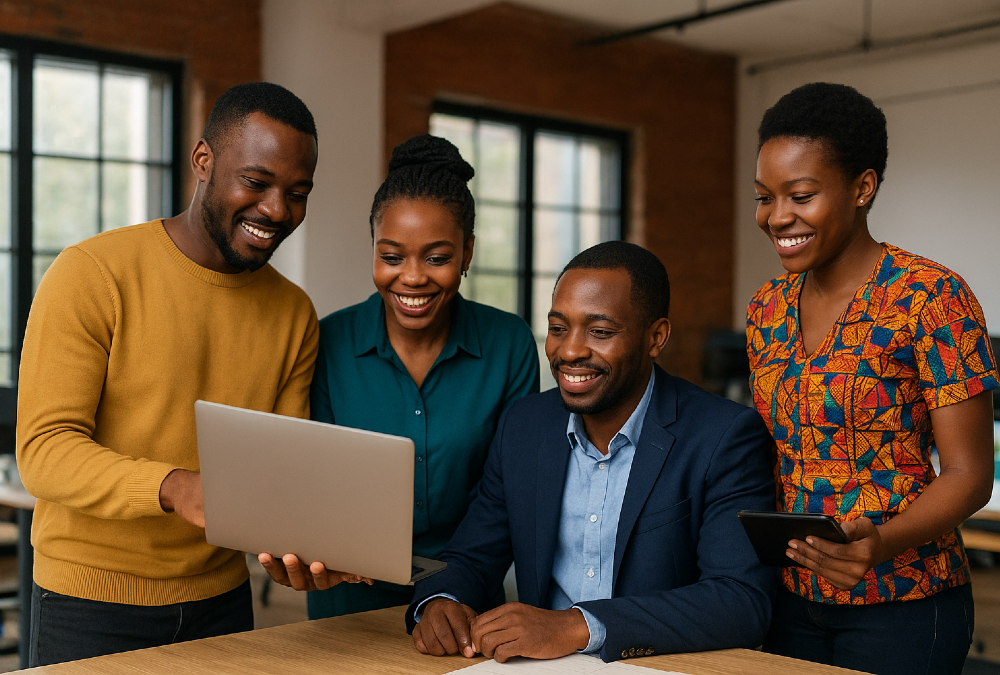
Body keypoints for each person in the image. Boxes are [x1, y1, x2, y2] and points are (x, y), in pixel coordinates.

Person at [16, 82, 329, 666]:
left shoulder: (294, 314)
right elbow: (44, 453)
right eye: (256, 182)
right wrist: (175, 487)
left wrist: (306, 549)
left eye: (297, 193)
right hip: (87, 604)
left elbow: (279, 470)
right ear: (203, 161)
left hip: (221, 603)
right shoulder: (91, 275)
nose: (277, 210)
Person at [406, 241, 777, 663]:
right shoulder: (524, 426)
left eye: (599, 332)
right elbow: (472, 555)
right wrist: (441, 600)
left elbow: (741, 601)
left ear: (656, 337)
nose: (569, 351)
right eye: (558, 328)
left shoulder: (723, 435)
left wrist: (576, 626)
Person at [747, 82, 998, 675]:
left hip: (906, 600)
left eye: (801, 195)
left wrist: (880, 543)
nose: (777, 217)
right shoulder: (767, 308)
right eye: (763, 197)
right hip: (790, 597)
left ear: (862, 188)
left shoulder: (932, 298)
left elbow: (969, 476)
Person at [258, 135, 539, 618]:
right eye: (391, 257)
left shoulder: (508, 344)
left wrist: (452, 589)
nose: (411, 278)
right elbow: (312, 481)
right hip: (348, 600)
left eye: (437, 258)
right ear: (373, 250)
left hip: (465, 595)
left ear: (467, 253)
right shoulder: (326, 341)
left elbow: (504, 494)